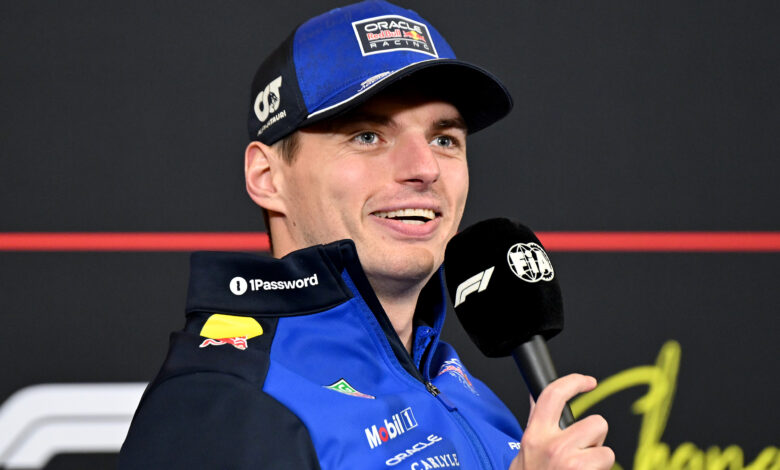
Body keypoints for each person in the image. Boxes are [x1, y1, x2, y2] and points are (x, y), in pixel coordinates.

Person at [119, 1, 614, 469]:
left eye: (444, 139)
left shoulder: (468, 393)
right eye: (367, 136)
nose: (424, 168)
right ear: (268, 178)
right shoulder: (220, 402)